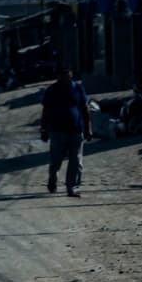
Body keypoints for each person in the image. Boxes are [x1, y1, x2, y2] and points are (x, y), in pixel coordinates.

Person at [40, 68, 93, 197]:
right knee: (56, 159)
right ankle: (53, 179)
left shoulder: (78, 88)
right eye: (61, 74)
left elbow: (85, 108)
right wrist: (44, 129)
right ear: (58, 75)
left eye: (67, 73)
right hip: (57, 131)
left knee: (76, 160)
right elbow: (46, 111)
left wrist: (88, 127)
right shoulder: (52, 90)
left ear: (71, 74)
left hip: (76, 130)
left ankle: (72, 187)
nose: (65, 76)